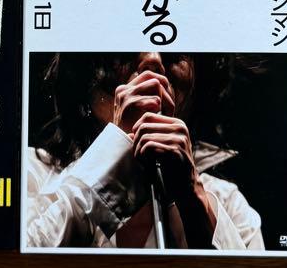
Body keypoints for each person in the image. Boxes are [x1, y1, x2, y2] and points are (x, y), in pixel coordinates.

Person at [26, 52, 262, 250]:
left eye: (173, 51)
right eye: (126, 49)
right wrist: (114, 150)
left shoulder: (228, 204)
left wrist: (193, 199)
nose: (153, 59)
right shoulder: (31, 173)